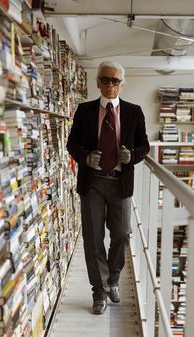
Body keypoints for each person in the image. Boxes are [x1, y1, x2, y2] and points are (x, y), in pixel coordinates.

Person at [67, 61, 149, 315]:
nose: (110, 85)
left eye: (115, 81)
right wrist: (85, 156)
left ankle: (113, 279)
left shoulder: (134, 111)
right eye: (105, 80)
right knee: (93, 240)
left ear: (121, 84)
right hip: (92, 183)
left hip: (120, 183)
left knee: (122, 235)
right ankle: (99, 292)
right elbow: (72, 144)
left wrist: (132, 156)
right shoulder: (84, 110)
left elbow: (144, 146)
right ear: (97, 82)